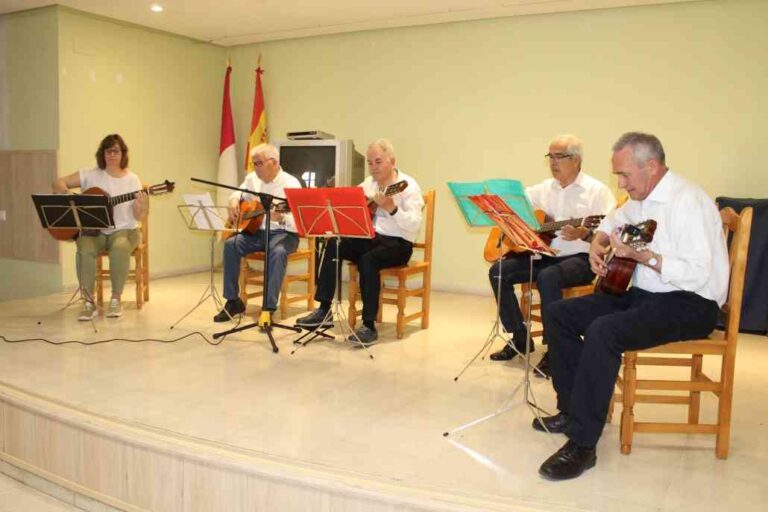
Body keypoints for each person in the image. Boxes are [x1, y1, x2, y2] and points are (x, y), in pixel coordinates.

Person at [535, 132, 729, 480]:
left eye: (624, 175)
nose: (621, 183)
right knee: (559, 314)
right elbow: (612, 220)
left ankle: (583, 444)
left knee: (604, 331)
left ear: (651, 166)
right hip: (645, 295)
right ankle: (572, 409)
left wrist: (646, 258)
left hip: (692, 303)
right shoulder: (641, 197)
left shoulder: (689, 202)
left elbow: (699, 275)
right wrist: (599, 240)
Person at [488, 134, 615, 377]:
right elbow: (514, 205)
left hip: (580, 260)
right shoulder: (544, 188)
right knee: (498, 271)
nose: (553, 162)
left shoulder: (597, 192)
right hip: (545, 255)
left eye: (559, 157)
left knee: (548, 277)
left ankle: (555, 349)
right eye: (550, 156)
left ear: (576, 160)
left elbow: (610, 235)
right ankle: (520, 337)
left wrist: (585, 234)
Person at [296, 139, 424, 345]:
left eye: (378, 161)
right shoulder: (368, 183)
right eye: (369, 162)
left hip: (399, 244)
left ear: (392, 161)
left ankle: (368, 325)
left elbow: (414, 225)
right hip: (372, 238)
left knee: (368, 259)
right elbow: (350, 204)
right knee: (334, 244)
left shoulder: (407, 186)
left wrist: (392, 208)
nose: (373, 167)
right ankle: (324, 310)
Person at [52, 134, 148, 320]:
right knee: (84, 247)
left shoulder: (132, 180)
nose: (112, 155)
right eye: (108, 151)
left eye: (116, 151)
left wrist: (141, 207)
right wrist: (67, 193)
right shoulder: (90, 174)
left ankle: (115, 299)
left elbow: (138, 217)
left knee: (119, 248)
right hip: (95, 231)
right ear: (102, 154)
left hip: (125, 230)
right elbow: (57, 183)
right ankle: (89, 302)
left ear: (123, 154)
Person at [214, 143, 302, 322]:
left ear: (274, 162)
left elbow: (300, 220)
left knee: (277, 252)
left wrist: (281, 218)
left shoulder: (291, 184)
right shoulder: (252, 179)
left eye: (259, 163)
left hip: (284, 233)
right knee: (231, 244)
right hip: (256, 232)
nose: (255, 168)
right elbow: (238, 193)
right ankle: (233, 300)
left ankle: (268, 308)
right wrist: (234, 201)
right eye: (253, 163)